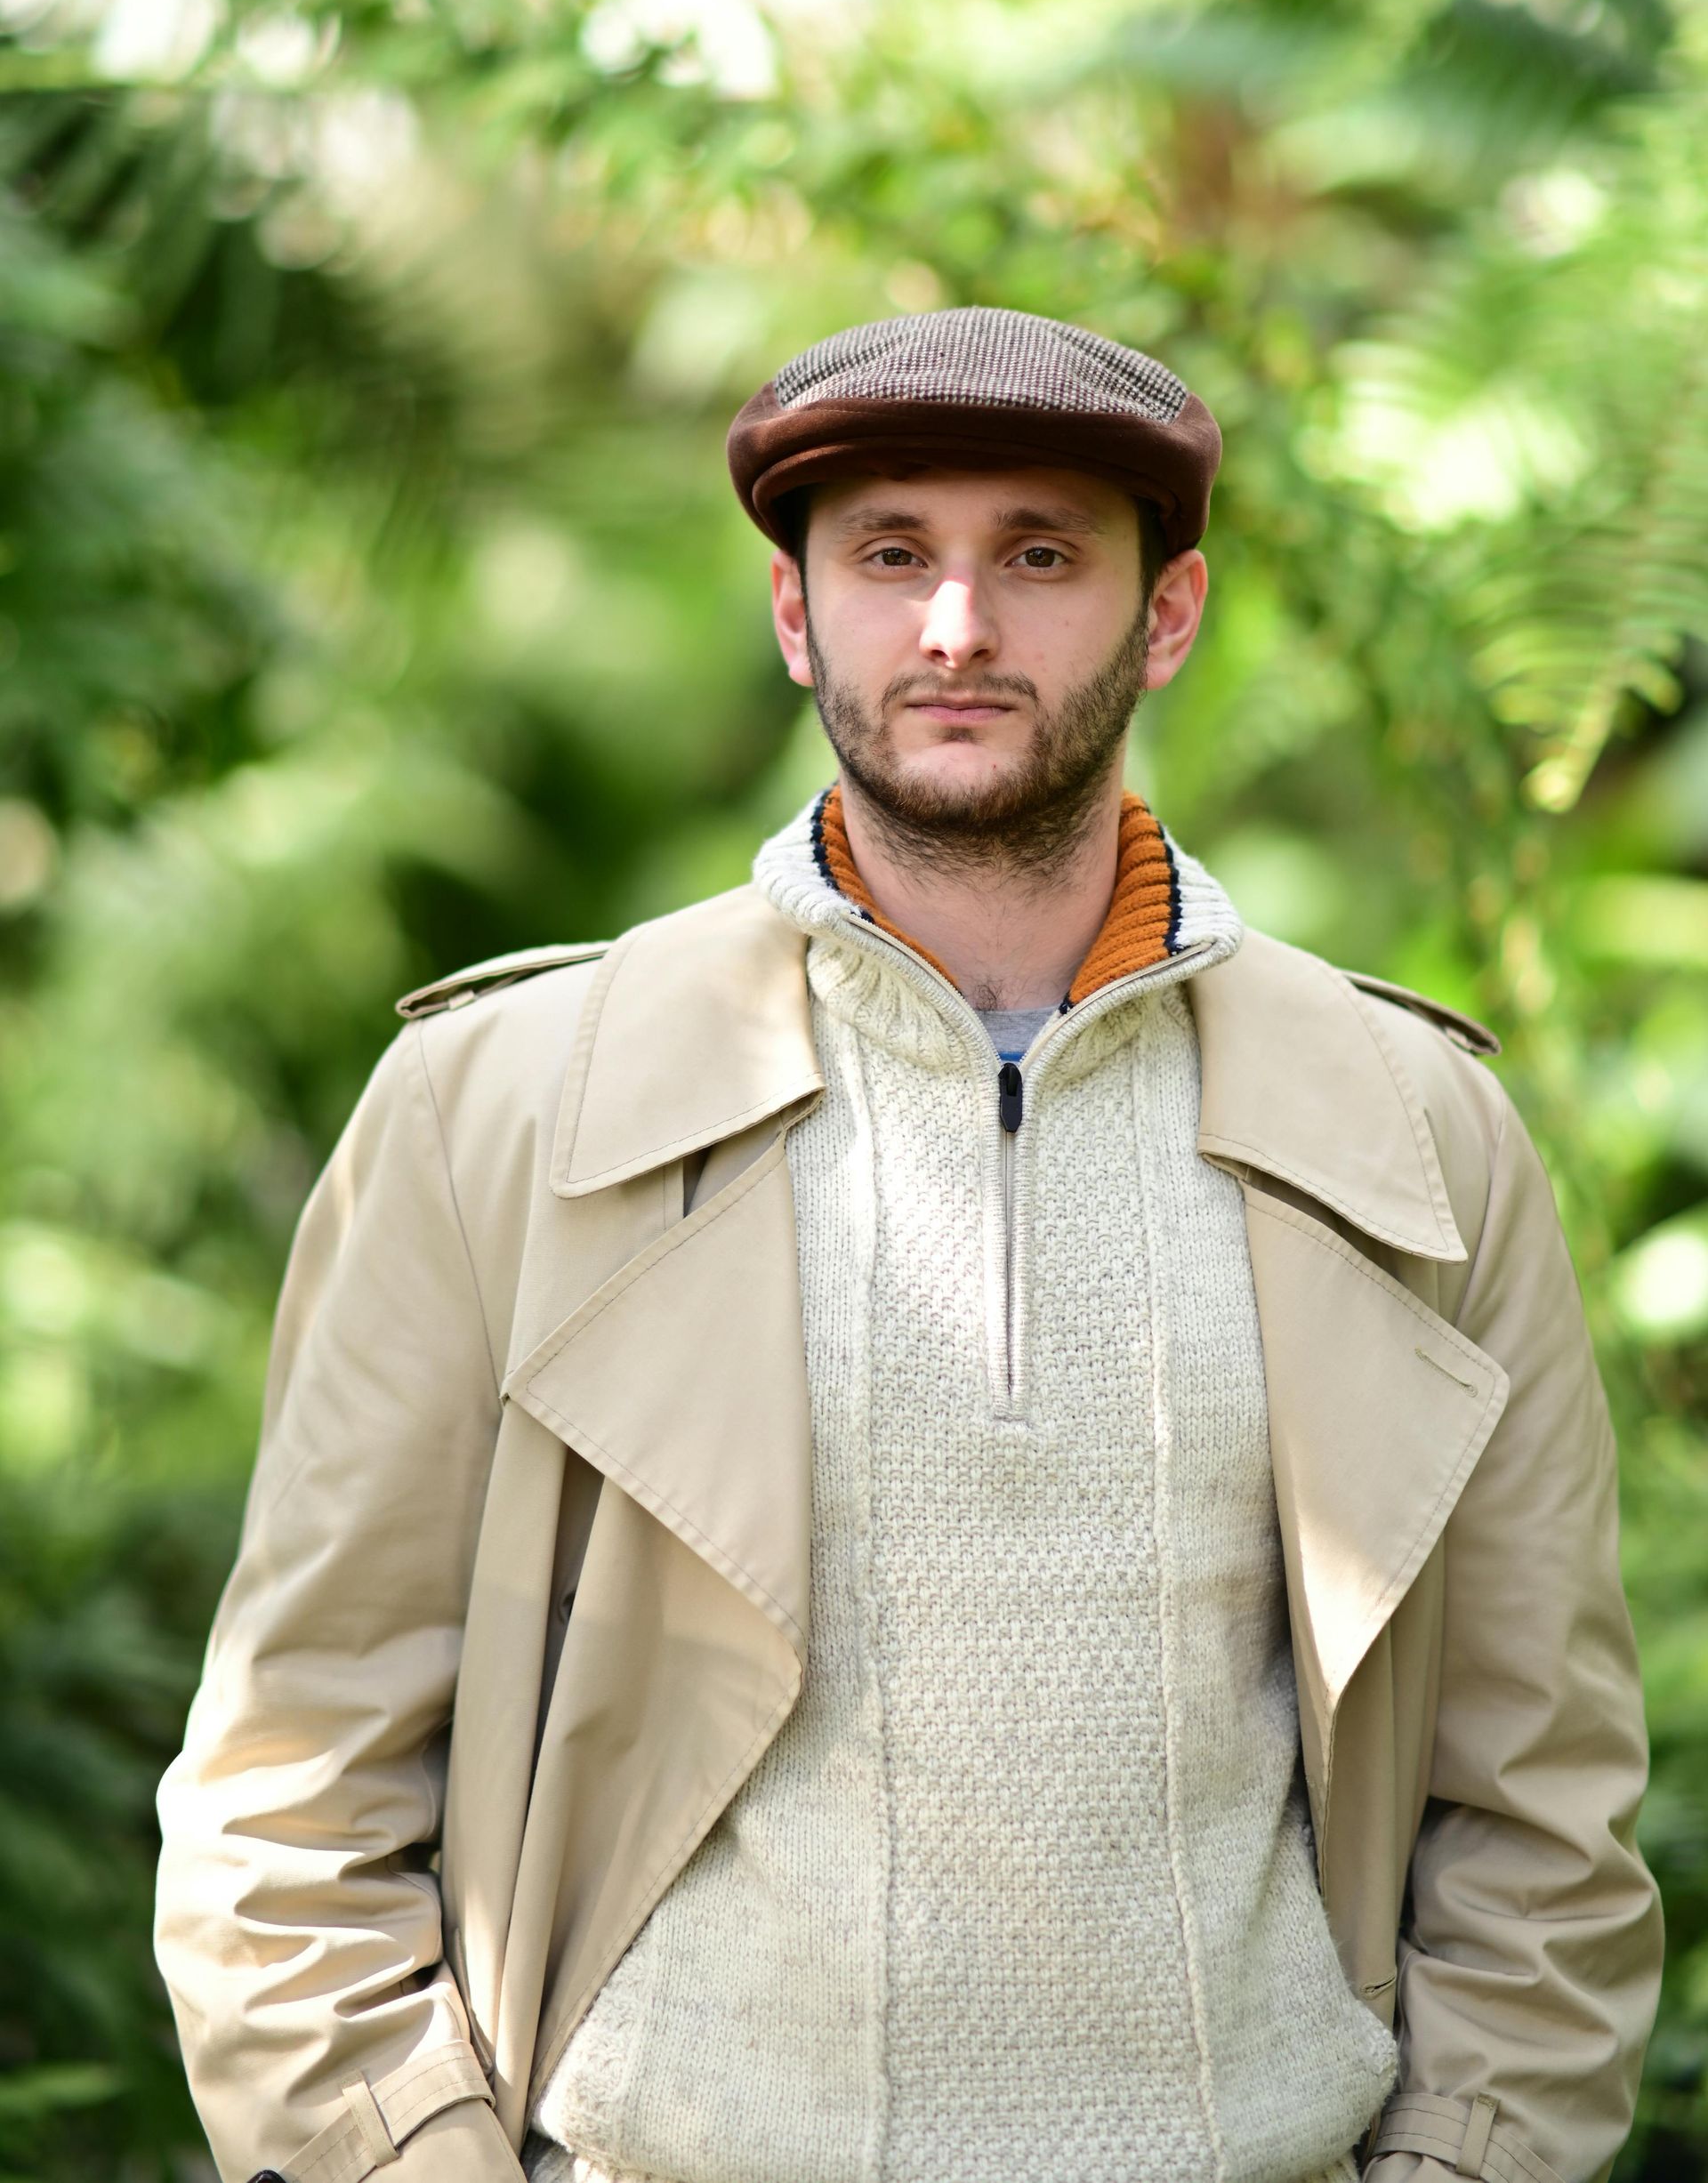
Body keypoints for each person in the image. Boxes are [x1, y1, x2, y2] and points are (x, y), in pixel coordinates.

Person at [156, 307, 1661, 2183]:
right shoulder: (508, 1110)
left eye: (1040, 554)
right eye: (890, 556)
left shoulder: (1415, 1132)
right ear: (797, 617)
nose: (958, 627)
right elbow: (286, 1801)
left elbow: (1544, 1823)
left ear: (1166, 612)